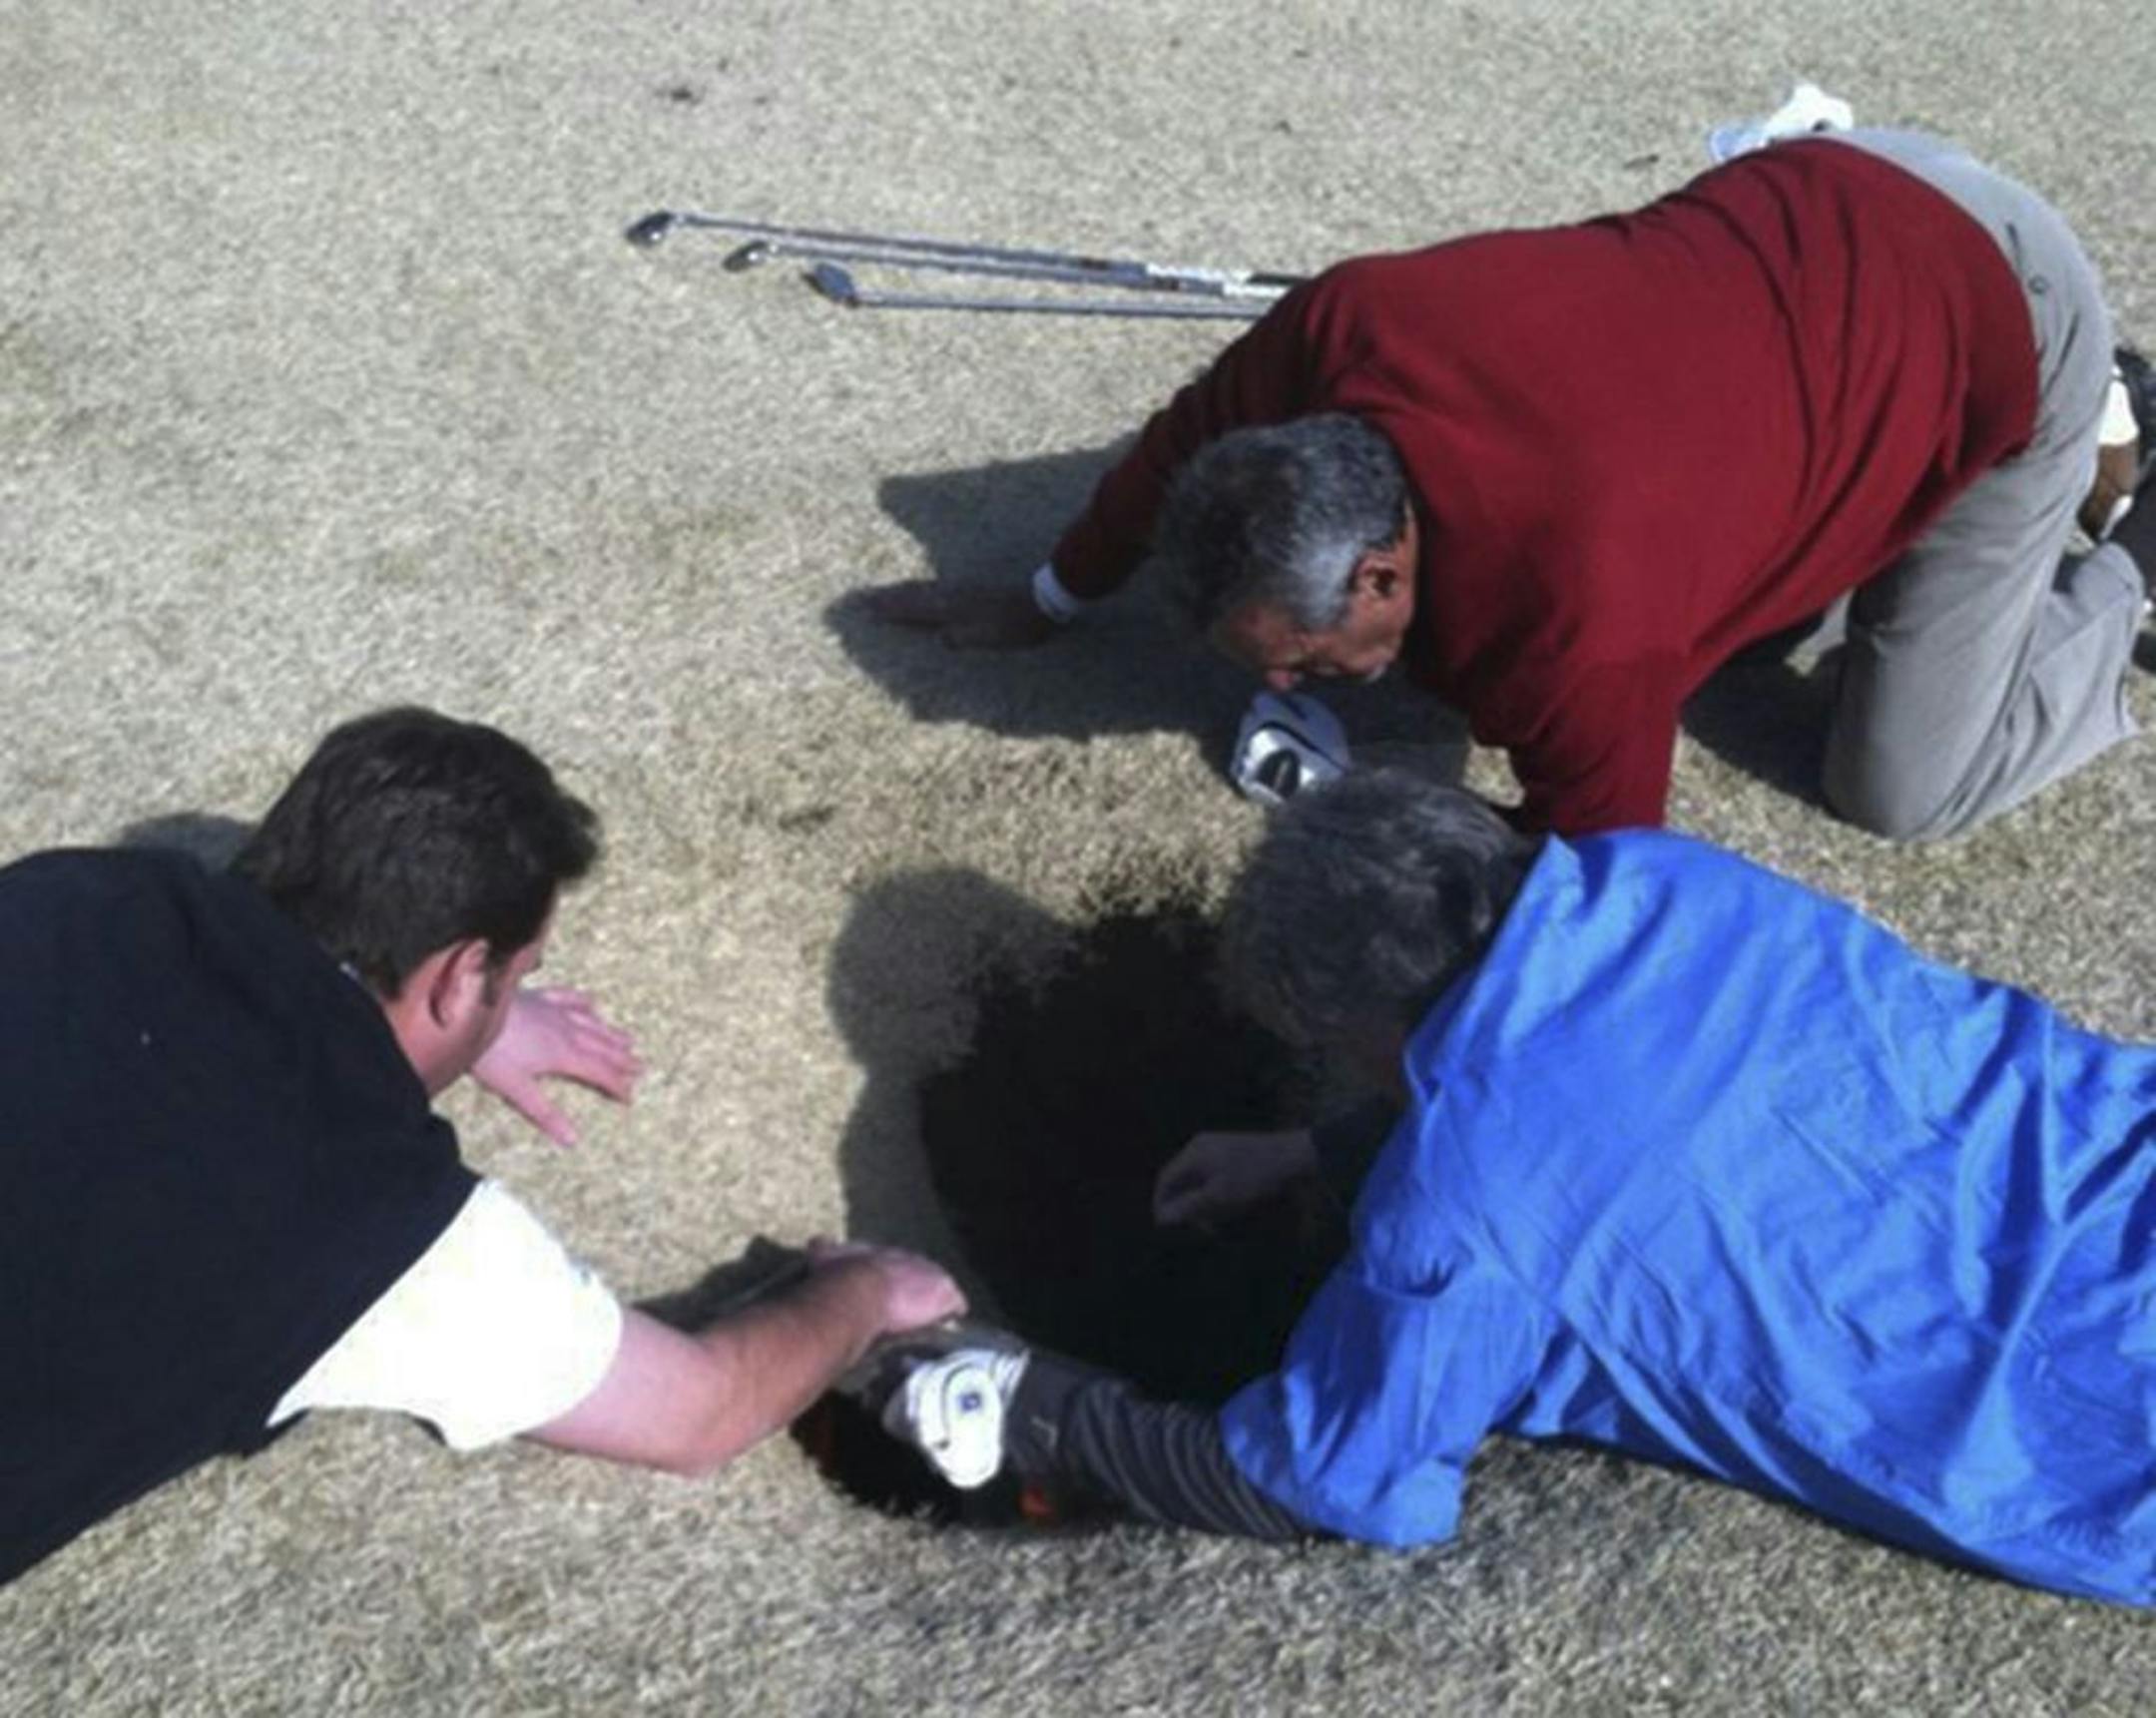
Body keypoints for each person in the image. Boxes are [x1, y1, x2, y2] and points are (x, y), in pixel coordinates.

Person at [873, 768, 2156, 1606]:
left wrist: (1039, 1402)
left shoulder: (1463, 1212)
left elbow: (1309, 1477)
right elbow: (1585, 1071)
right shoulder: (1662, 877)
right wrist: (1313, 1153)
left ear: (1357, 1022)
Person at [870, 129, 2156, 840]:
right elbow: (1181, 445)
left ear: (1383, 569)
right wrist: (1046, 597)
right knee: (1752, 630)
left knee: (1898, 787)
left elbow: (1609, 872)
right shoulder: (1348, 325)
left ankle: (2131, 535)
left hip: (2003, 313)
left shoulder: (1581, 617)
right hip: (1845, 194)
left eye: (1306, 659)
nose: (1278, 686)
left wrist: (1433, 837)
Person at [0, 707, 963, 1586]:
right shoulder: (378, 1224)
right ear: (461, 974)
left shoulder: (72, 893)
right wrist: (864, 1289)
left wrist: (463, 1020)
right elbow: (700, 1412)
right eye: (517, 971)